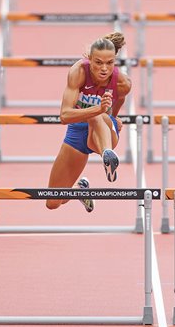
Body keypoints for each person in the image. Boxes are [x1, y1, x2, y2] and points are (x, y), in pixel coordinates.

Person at [45, 32, 132, 212]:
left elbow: (120, 100)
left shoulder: (123, 83)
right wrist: (98, 109)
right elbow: (64, 116)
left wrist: (113, 117)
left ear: (115, 61)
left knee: (96, 117)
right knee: (53, 203)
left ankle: (107, 155)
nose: (104, 69)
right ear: (89, 59)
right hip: (77, 131)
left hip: (104, 132)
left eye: (109, 63)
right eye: (98, 62)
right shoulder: (78, 72)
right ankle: (80, 190)